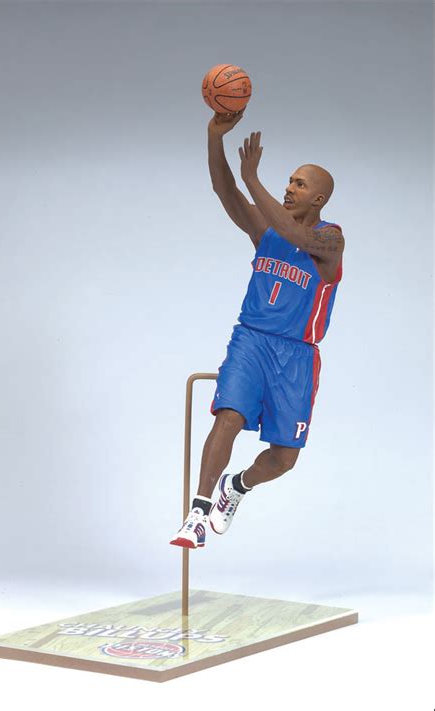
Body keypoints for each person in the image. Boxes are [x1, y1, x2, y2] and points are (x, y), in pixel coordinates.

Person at [170, 108, 345, 549]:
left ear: (319, 199)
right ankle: (197, 514)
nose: (289, 188)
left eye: (299, 184)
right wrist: (215, 137)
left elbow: (298, 238)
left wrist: (253, 179)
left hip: (297, 355)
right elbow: (223, 189)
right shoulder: (265, 228)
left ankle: (237, 486)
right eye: (288, 181)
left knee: (285, 459)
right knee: (230, 415)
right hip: (251, 339)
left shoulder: (331, 240)